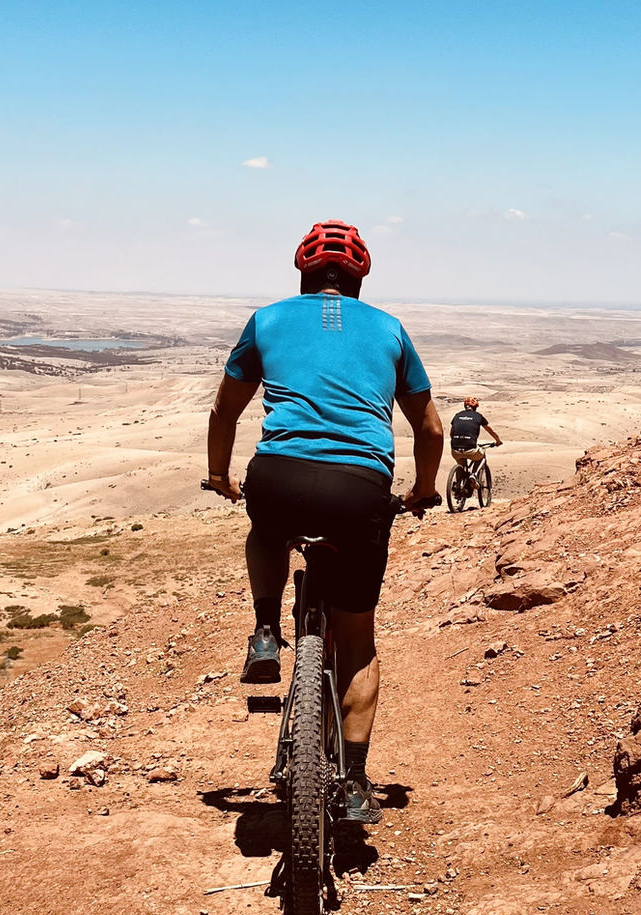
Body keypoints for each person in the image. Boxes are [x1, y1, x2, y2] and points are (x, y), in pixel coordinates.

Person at [204, 219, 444, 823]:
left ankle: (265, 630)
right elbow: (430, 428)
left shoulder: (266, 319)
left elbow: (225, 411)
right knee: (357, 643)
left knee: (265, 530)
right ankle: (356, 781)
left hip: (278, 477)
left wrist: (220, 476)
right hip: (358, 490)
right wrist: (422, 490)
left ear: (303, 274)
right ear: (360, 280)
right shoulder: (389, 329)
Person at [448, 395, 502, 460]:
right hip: (472, 451)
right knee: (482, 453)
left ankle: (461, 466)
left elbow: (451, 434)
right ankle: (479, 466)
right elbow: (490, 431)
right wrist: (498, 441)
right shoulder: (478, 416)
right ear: (475, 407)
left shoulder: (457, 415)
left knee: (461, 461)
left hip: (455, 451)